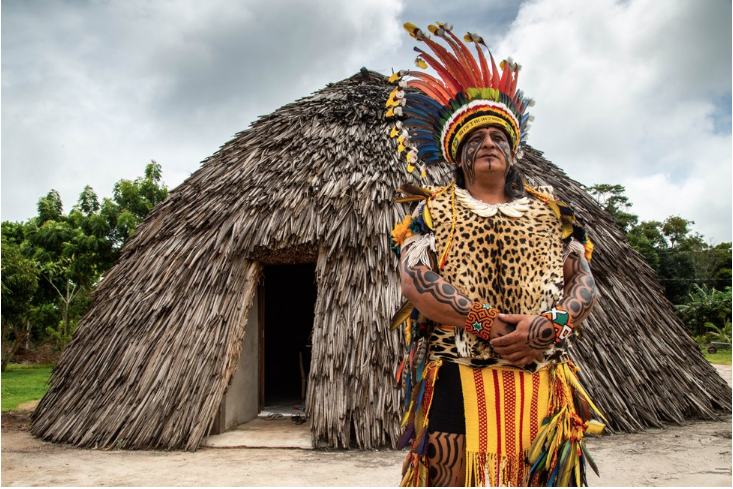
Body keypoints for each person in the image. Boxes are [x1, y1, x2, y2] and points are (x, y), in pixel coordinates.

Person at [387, 22, 604, 487]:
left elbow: (584, 283)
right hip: (459, 373)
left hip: (543, 370)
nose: (488, 143)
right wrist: (486, 323)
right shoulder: (432, 210)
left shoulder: (552, 212)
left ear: (512, 151)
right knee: (447, 474)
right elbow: (415, 281)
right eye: (476, 138)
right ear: (458, 155)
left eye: (497, 137)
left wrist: (548, 327)